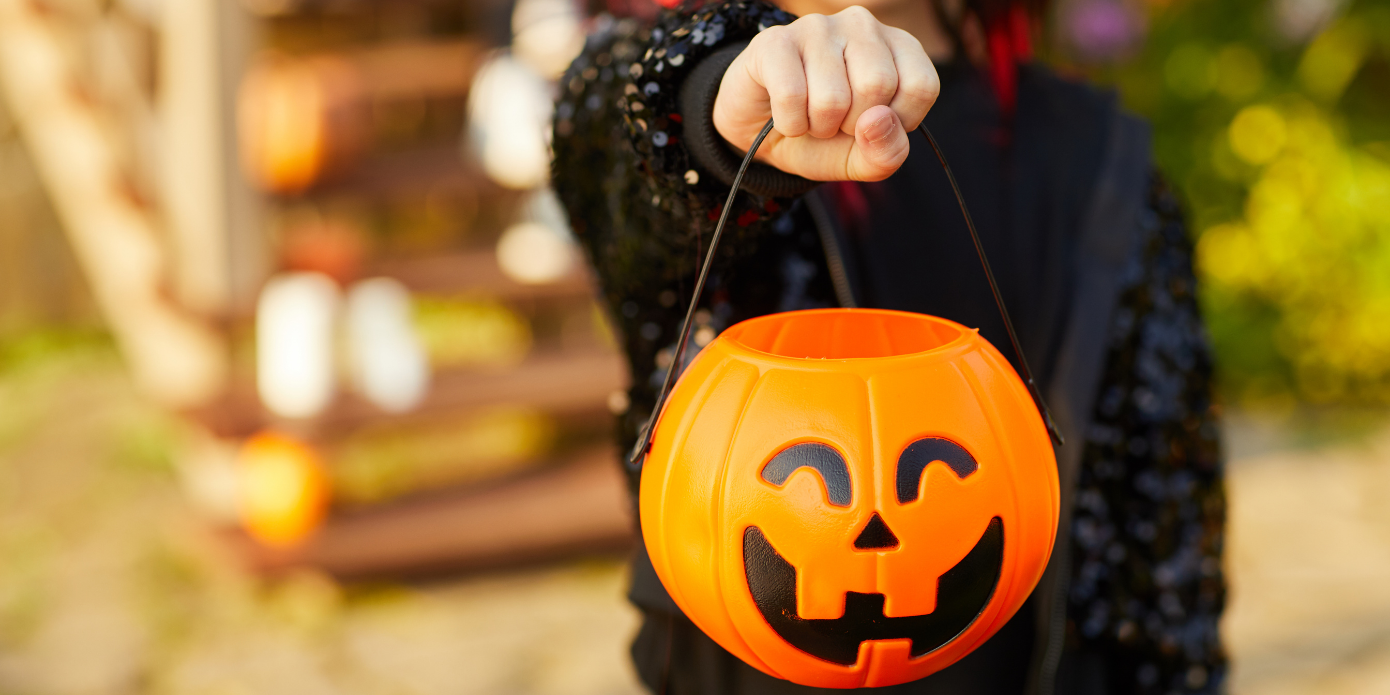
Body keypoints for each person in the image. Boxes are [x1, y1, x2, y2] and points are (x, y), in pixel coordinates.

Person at [551, 0, 1226, 692]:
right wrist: (715, 104)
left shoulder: (1105, 164)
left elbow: (1165, 541)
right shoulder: (655, 89)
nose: (876, 532)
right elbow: (629, 130)